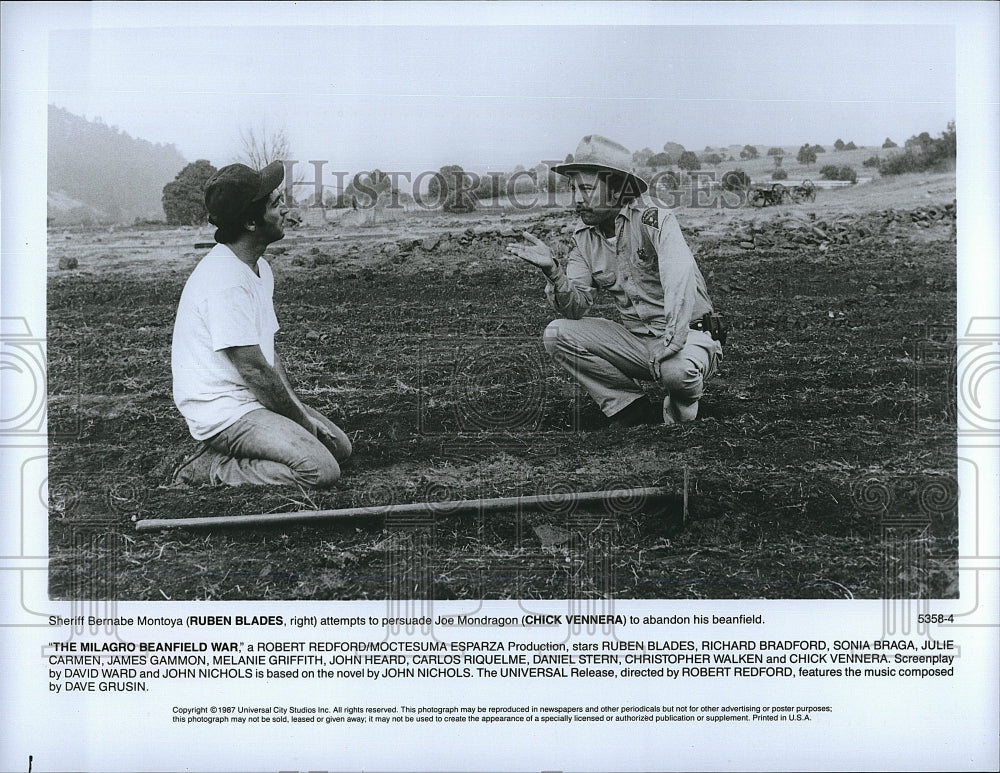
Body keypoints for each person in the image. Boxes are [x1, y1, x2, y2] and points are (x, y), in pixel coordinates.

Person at [507, 135, 724, 426]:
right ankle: (631, 408)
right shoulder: (584, 238)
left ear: (618, 190)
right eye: (573, 189)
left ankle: (684, 403)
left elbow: (678, 277)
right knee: (557, 334)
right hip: (639, 344)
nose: (577, 200)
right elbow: (576, 309)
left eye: (586, 189)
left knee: (675, 374)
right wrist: (553, 272)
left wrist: (672, 341)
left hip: (688, 337)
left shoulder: (655, 219)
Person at [170, 161, 351, 487]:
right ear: (251, 223)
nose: (285, 210)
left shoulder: (258, 269)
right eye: (276, 203)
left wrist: (300, 413)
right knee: (321, 470)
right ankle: (211, 468)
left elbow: (269, 359)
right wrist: (304, 426)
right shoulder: (225, 280)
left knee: (339, 448)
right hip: (223, 414)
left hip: (250, 400)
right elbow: (254, 370)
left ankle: (257, 449)